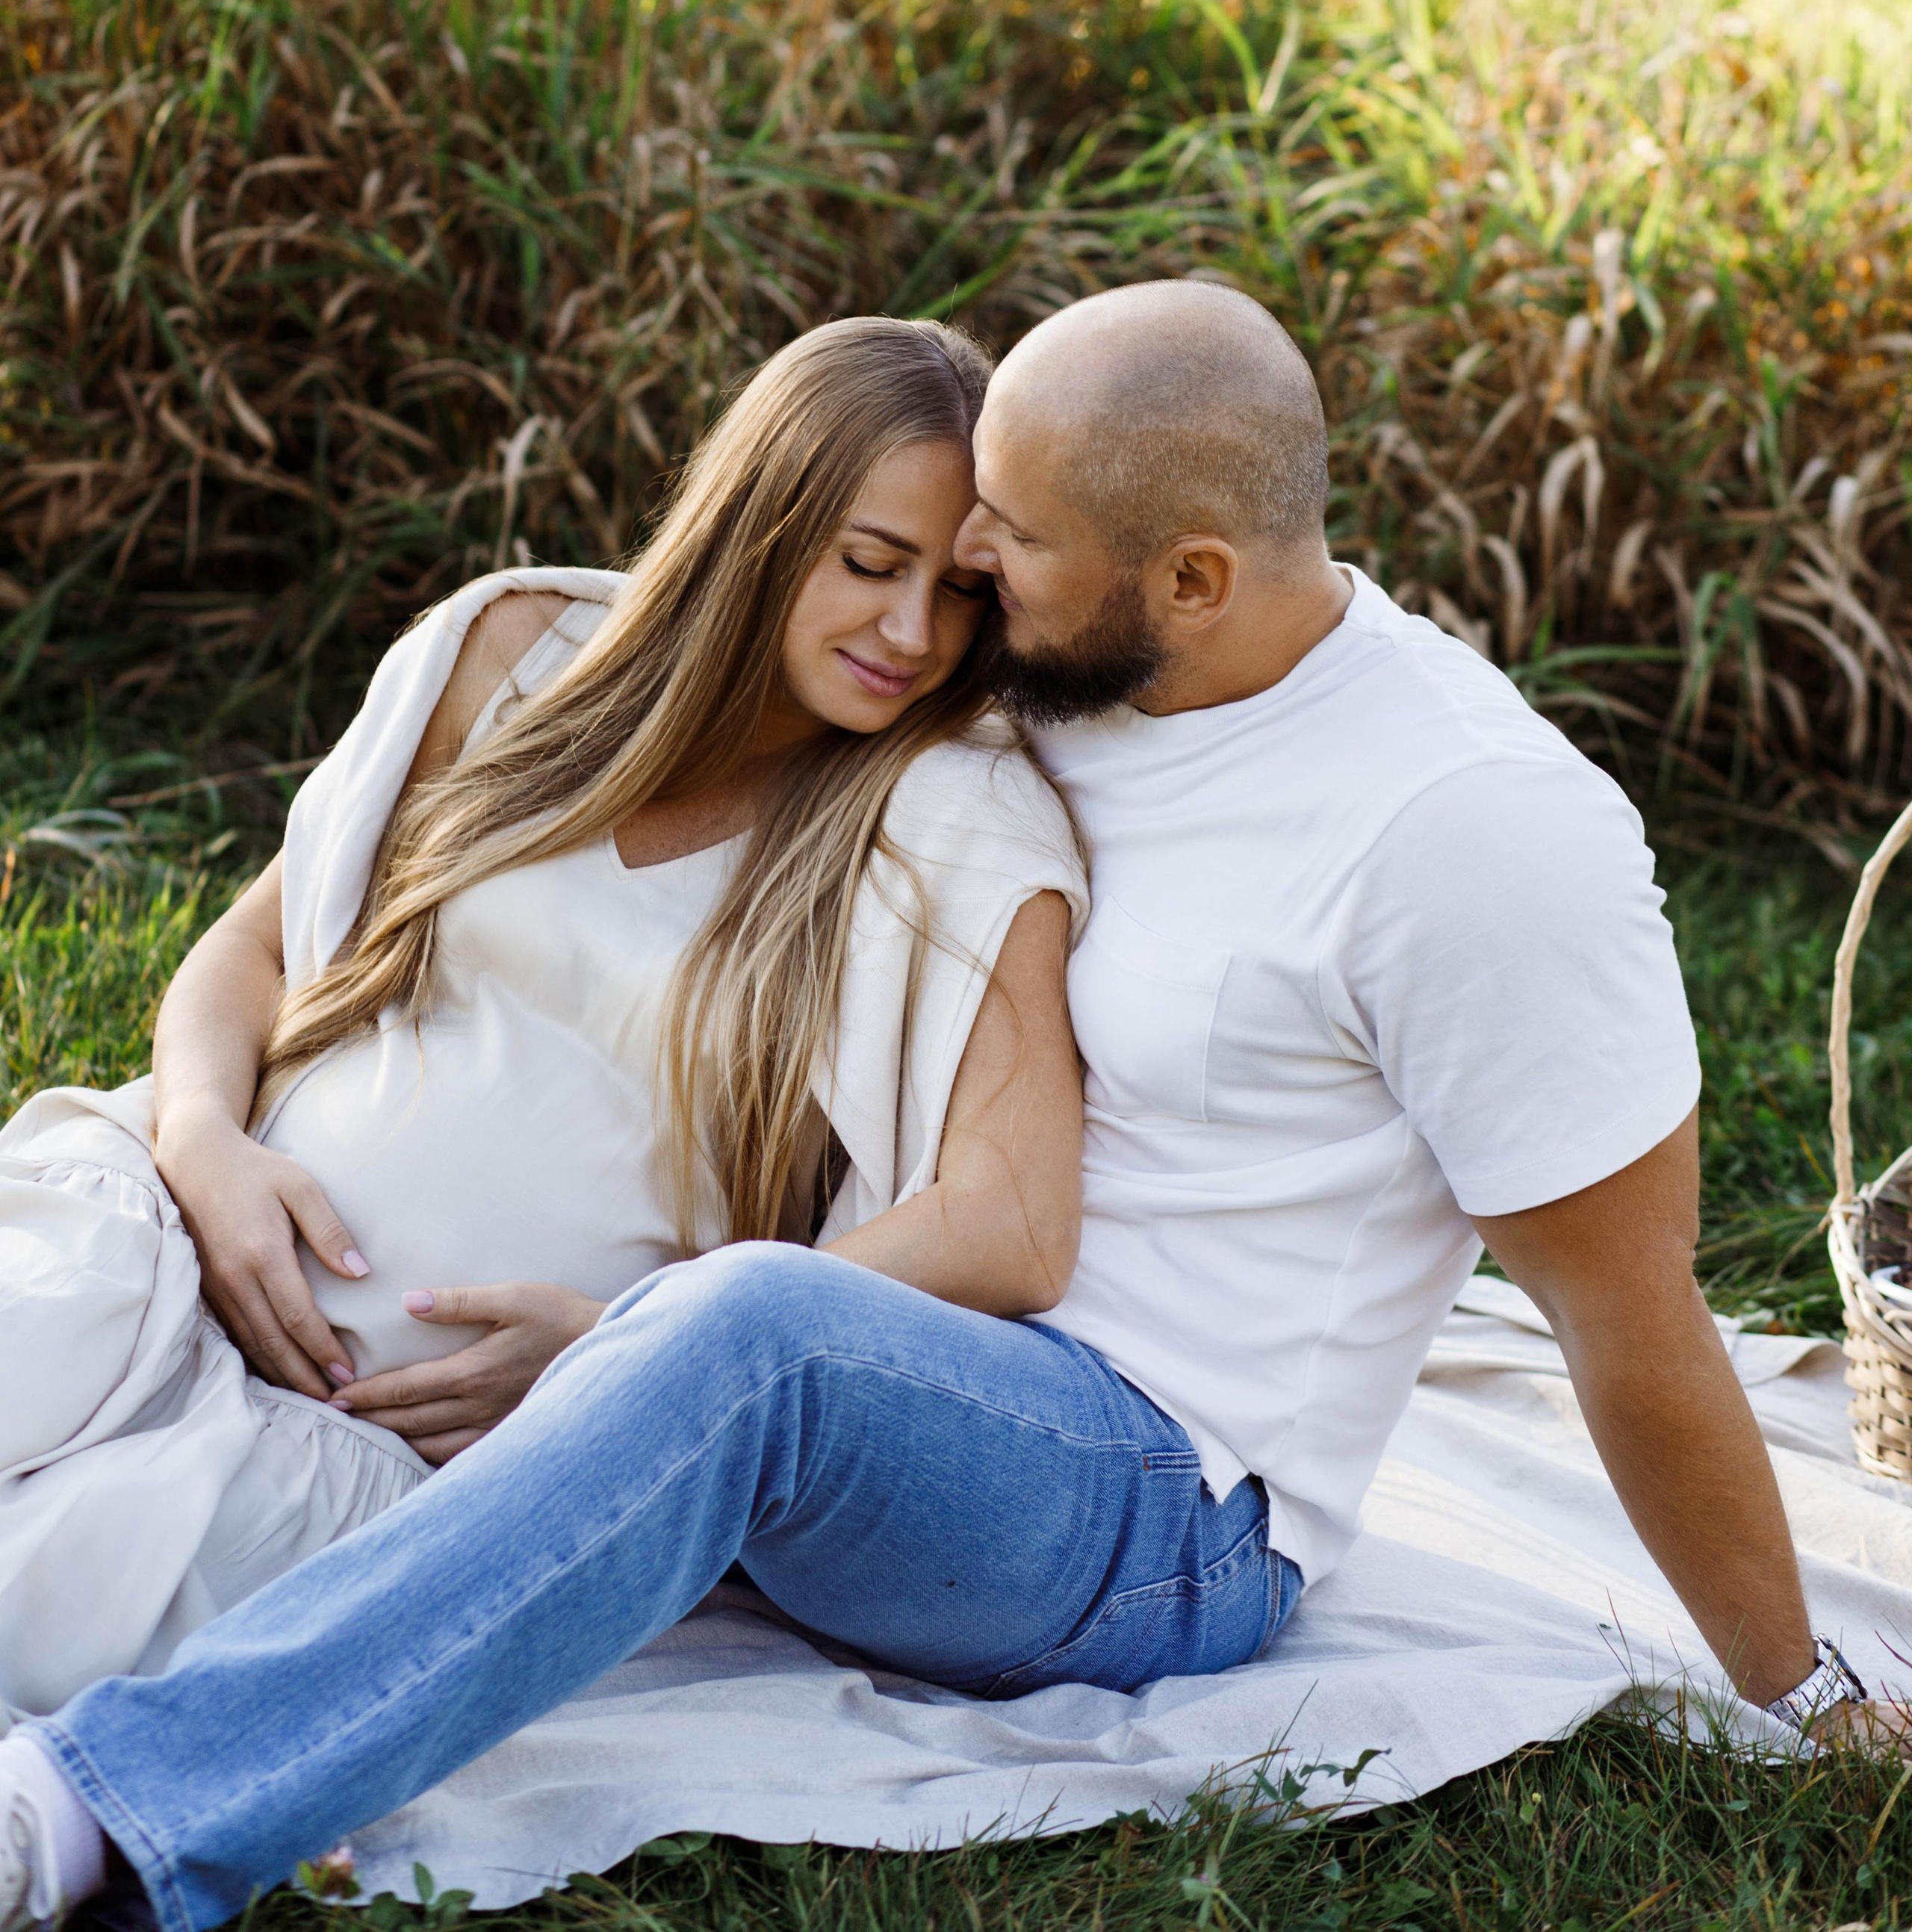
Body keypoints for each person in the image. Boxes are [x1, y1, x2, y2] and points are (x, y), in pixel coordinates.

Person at [0, 284, 1872, 1932]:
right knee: (728, 1336)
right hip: (896, 1395)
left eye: (1008, 542)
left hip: (1155, 1497)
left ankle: (106, 1815)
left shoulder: (1464, 834)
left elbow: (1623, 1311)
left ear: (1192, 578)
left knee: (746, 1332)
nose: (962, 572)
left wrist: (1799, 1697)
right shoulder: (1071, 683)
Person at [0, 315, 1090, 1716]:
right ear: (761, 521)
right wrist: (204, 1137)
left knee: (51, 1614)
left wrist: (638, 1359)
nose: (911, 634)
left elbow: (1015, 1219)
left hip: (392, 1439)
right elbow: (257, 941)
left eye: (960, 595)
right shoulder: (522, 654)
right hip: (167, 1235)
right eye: (871, 565)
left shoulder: (945, 813)